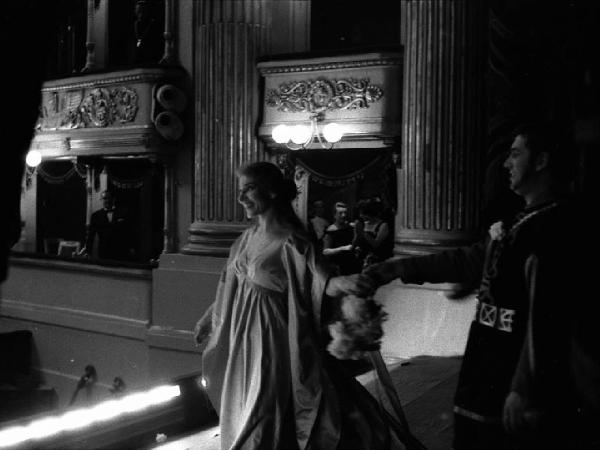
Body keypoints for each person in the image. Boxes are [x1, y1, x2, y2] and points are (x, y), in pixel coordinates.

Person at [331, 123, 591, 449]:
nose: (506, 165)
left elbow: (552, 319)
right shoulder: (521, 221)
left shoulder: (559, 227)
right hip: (490, 369)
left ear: (541, 161)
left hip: (518, 379)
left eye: (515, 155)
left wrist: (526, 387)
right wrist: (392, 269)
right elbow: (467, 260)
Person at [193, 162, 414, 450]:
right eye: (240, 191)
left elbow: (320, 281)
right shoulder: (247, 238)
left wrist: (346, 283)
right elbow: (229, 284)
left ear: (271, 192)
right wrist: (209, 318)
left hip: (274, 343)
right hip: (242, 342)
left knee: (264, 413)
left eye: (248, 189)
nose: (241, 199)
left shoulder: (292, 240)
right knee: (246, 406)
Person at [79, 190, 136, 261]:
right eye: (104, 198)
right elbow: (91, 235)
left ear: (113, 199)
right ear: (101, 200)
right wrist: (88, 251)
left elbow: (129, 232)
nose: (107, 200)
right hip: (104, 252)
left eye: (108, 198)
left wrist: (131, 247)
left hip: (121, 251)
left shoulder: (123, 212)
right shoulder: (96, 215)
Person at [322, 202, 361, 275]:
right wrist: (343, 248)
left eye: (345, 213)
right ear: (334, 215)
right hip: (339, 268)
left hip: (353, 265)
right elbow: (325, 251)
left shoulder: (351, 227)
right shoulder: (331, 231)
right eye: (340, 213)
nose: (344, 215)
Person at [353, 198, 393, 268]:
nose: (360, 216)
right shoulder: (362, 224)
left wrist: (363, 233)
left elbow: (376, 244)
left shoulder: (383, 225)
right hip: (361, 260)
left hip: (376, 261)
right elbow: (355, 242)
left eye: (362, 213)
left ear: (370, 213)